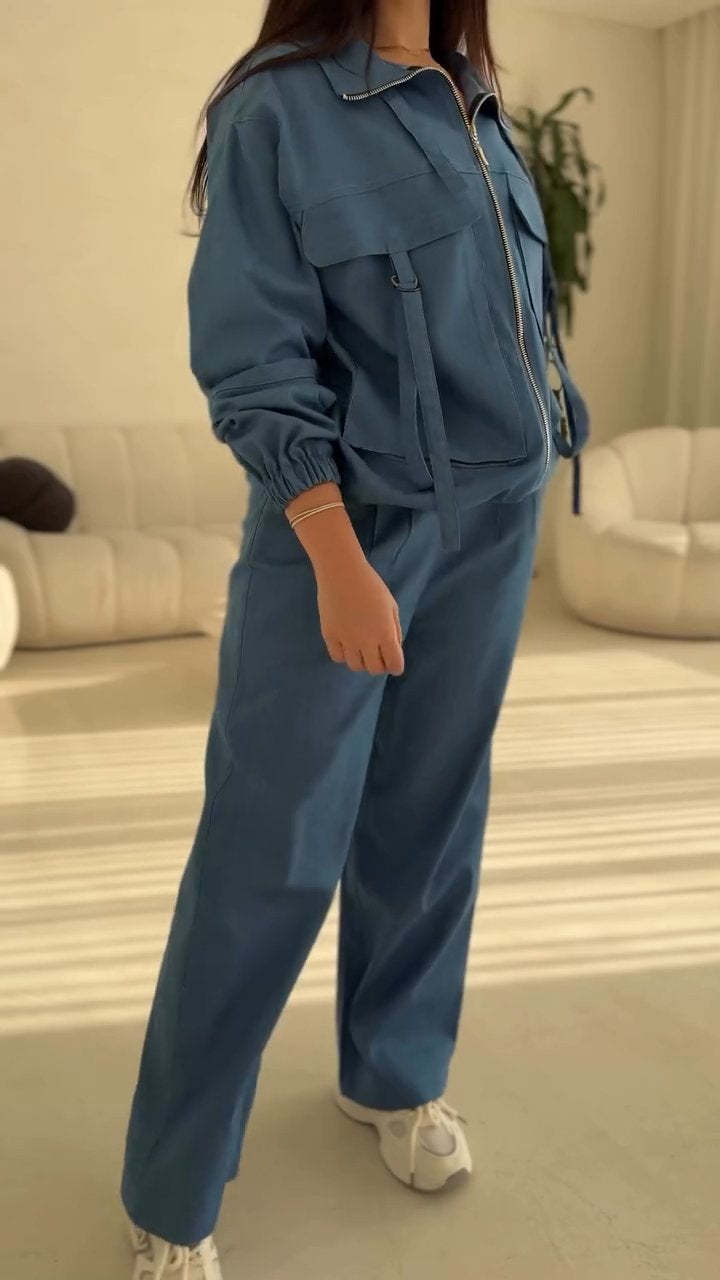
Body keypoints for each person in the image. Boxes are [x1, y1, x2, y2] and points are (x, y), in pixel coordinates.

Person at [120, 0, 589, 1275]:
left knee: (431, 817)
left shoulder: (475, 101)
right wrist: (337, 556)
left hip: (495, 522)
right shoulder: (277, 107)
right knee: (268, 848)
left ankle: (393, 1072)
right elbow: (253, 349)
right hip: (347, 526)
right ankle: (171, 1189)